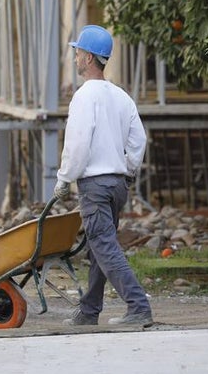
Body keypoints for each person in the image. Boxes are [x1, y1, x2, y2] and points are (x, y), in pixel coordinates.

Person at [57, 25, 153, 327]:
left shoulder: (85, 97)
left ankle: (138, 307)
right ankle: (89, 312)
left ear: (88, 57)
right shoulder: (121, 97)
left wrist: (64, 178)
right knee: (101, 245)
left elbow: (78, 143)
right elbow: (139, 139)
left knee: (104, 245)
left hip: (95, 186)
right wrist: (128, 170)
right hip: (116, 183)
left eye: (78, 52)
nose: (74, 57)